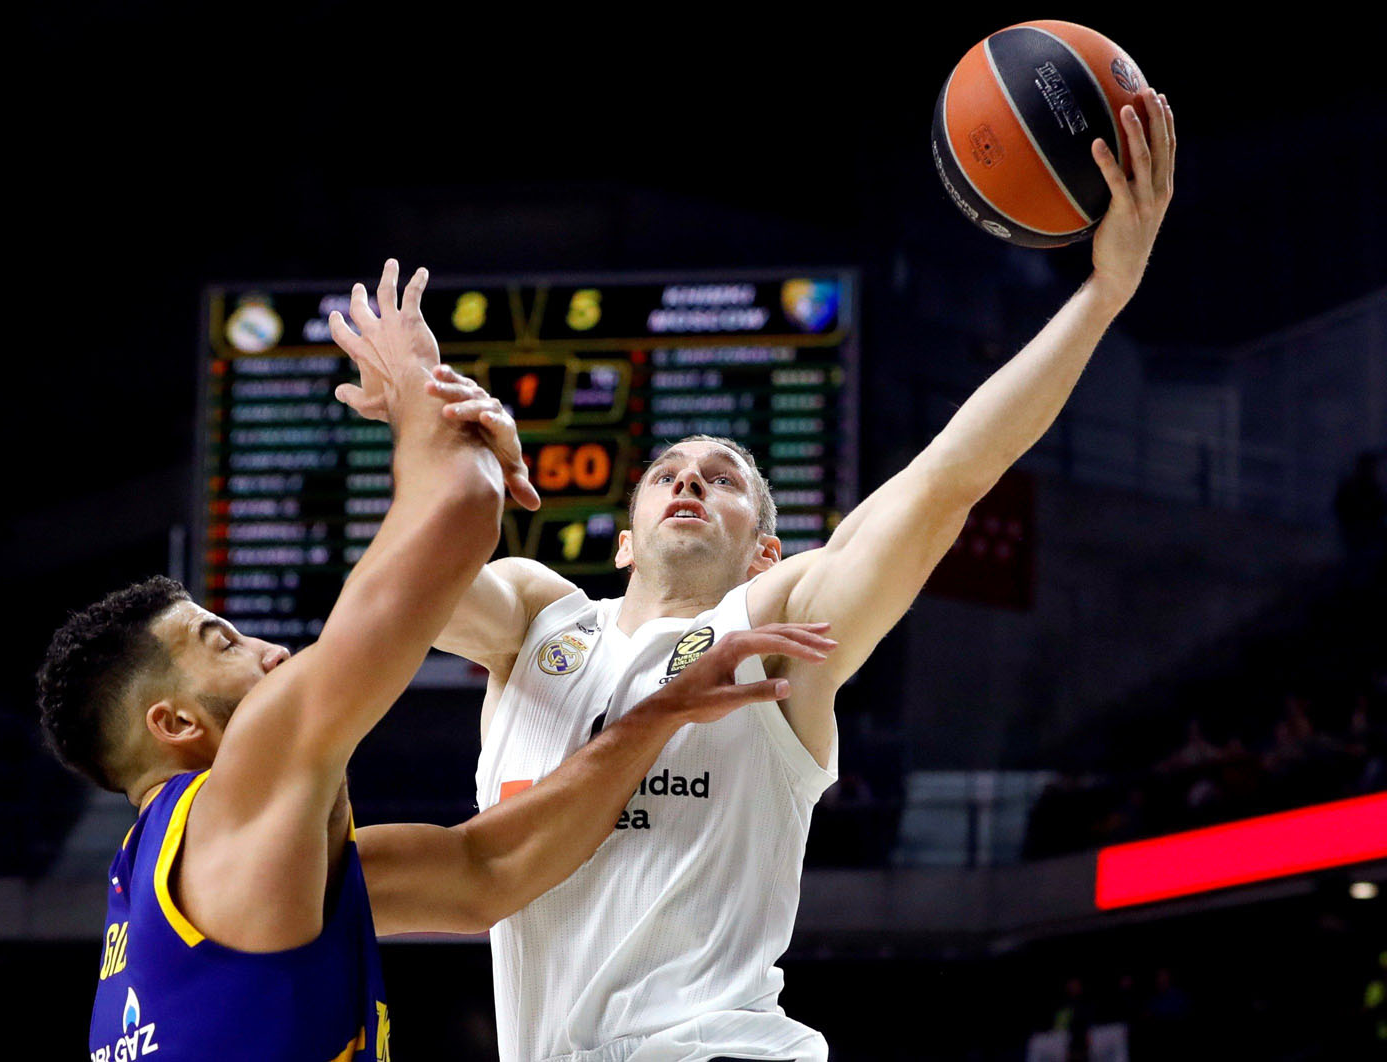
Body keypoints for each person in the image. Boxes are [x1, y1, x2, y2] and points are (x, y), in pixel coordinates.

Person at [388, 88, 1177, 1060]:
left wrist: (1102, 296)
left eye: (723, 481)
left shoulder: (775, 623)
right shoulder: (541, 619)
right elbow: (405, 596)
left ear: (763, 549)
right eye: (669, 474)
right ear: (624, 541)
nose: (690, 482)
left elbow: (945, 483)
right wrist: (444, 450)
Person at [37, 259, 839, 1061]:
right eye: (224, 642)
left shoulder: (177, 874)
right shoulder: (253, 776)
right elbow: (460, 510)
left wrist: (659, 710)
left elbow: (484, 870)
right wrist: (425, 399)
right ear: (173, 721)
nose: (272, 648)